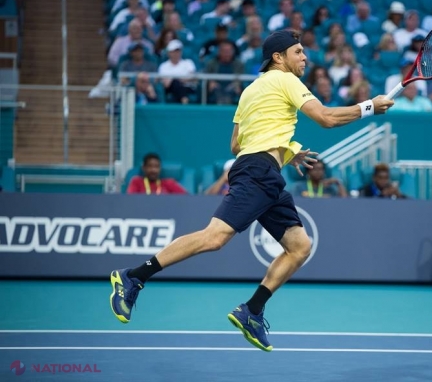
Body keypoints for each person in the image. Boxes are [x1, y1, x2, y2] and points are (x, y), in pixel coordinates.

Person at [109, 30, 394, 352]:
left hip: (265, 172)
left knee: (299, 246)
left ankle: (252, 311)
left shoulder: (249, 92)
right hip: (258, 172)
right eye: (298, 52)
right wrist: (370, 106)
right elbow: (326, 118)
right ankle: (134, 276)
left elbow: (235, 144)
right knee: (214, 237)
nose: (304, 58)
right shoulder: (285, 80)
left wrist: (286, 150)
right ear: (279, 57)